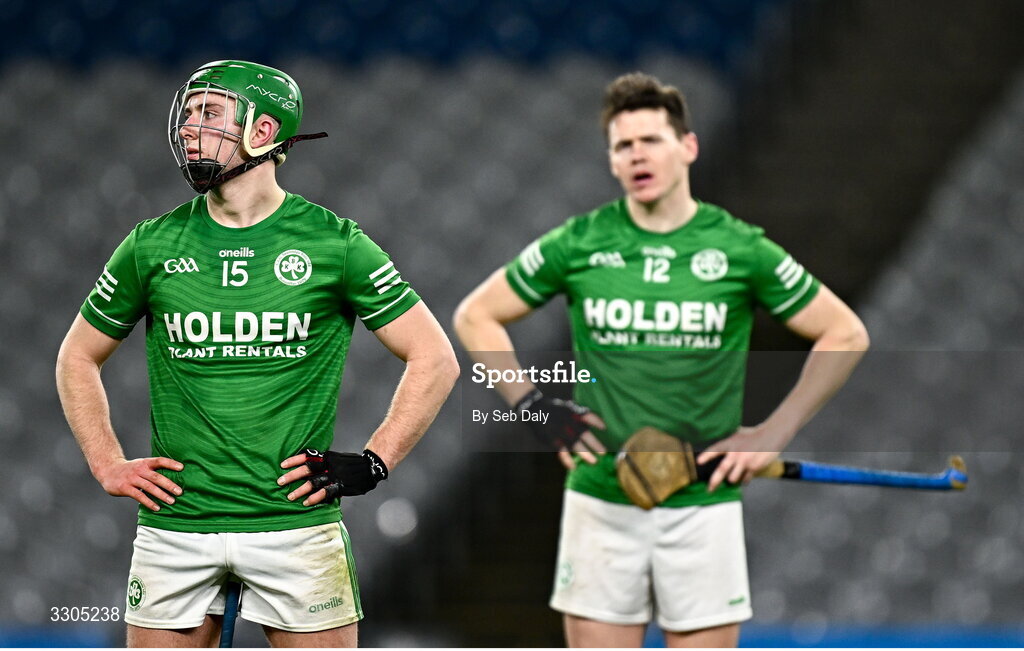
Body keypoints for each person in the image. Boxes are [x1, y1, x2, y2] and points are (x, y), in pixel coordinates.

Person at [453, 72, 869, 648]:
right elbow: (476, 315)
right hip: (601, 500)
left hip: (703, 507)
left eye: (651, 140)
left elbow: (845, 333)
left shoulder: (739, 248)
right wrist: (531, 406)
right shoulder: (579, 241)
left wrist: (776, 430)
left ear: (688, 147)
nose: (637, 155)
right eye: (623, 146)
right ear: (612, 162)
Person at [55, 60, 459, 648]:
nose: (190, 127)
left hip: (296, 527)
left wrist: (376, 460)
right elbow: (76, 358)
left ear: (264, 132)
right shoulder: (151, 244)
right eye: (188, 113)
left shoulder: (335, 243)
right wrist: (105, 461)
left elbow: (435, 358)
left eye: (210, 113)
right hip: (177, 527)